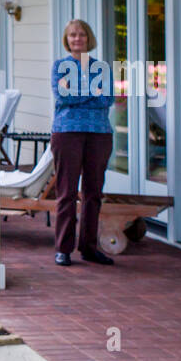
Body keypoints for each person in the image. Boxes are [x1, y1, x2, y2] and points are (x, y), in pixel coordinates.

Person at [50, 18, 115, 266]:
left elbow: (106, 100)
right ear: (67, 40)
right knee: (66, 193)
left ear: (89, 38)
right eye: (73, 35)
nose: (77, 39)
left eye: (82, 35)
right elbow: (63, 95)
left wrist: (78, 91)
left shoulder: (103, 68)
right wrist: (91, 90)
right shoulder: (60, 66)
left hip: (99, 134)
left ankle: (88, 248)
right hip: (67, 133)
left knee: (93, 193)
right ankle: (63, 249)